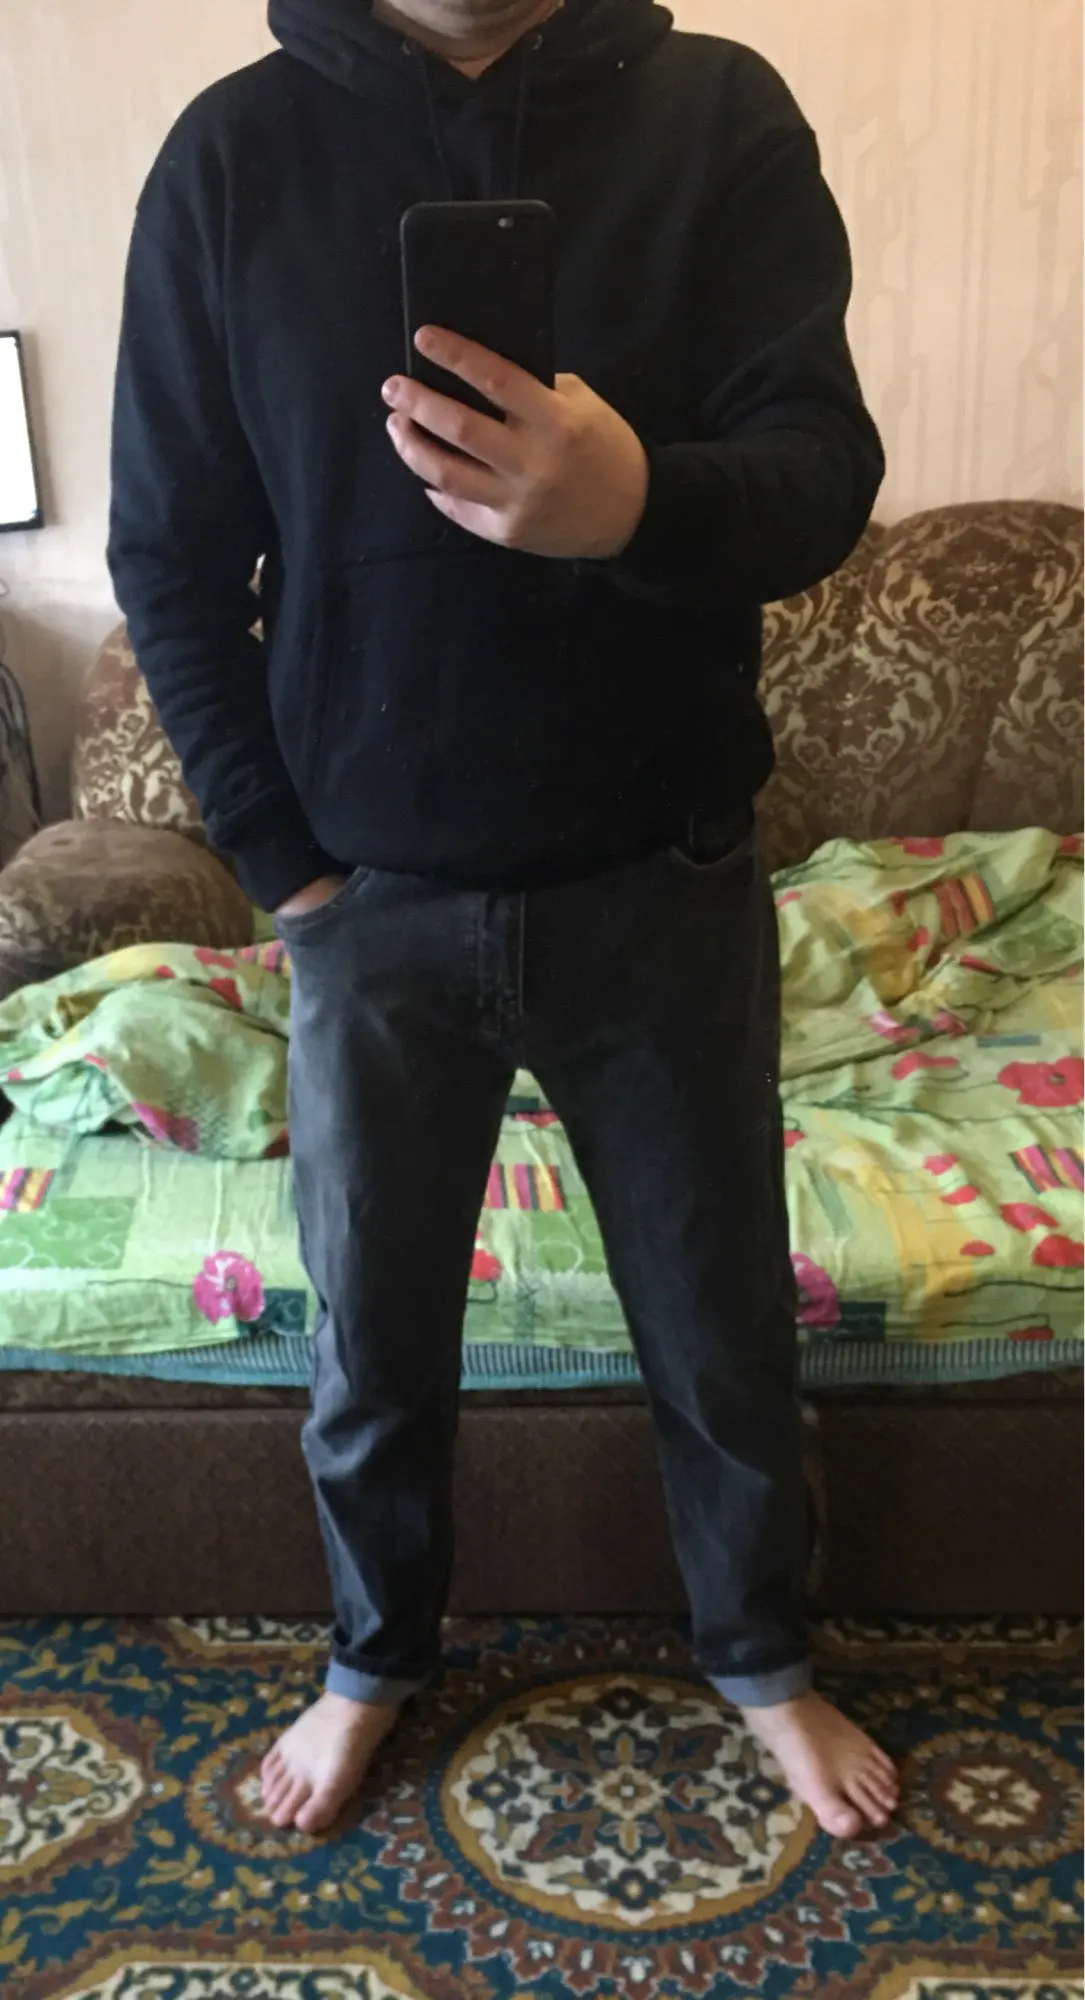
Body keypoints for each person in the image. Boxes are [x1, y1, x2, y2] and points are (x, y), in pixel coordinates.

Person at [108, 0, 900, 1842]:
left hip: (665, 879)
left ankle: (762, 1654)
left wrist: (635, 502)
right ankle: (371, 1656)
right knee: (371, 1347)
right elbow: (170, 548)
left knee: (721, 1328)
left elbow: (825, 473)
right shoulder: (231, 157)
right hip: (366, 903)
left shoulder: (719, 113)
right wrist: (284, 868)